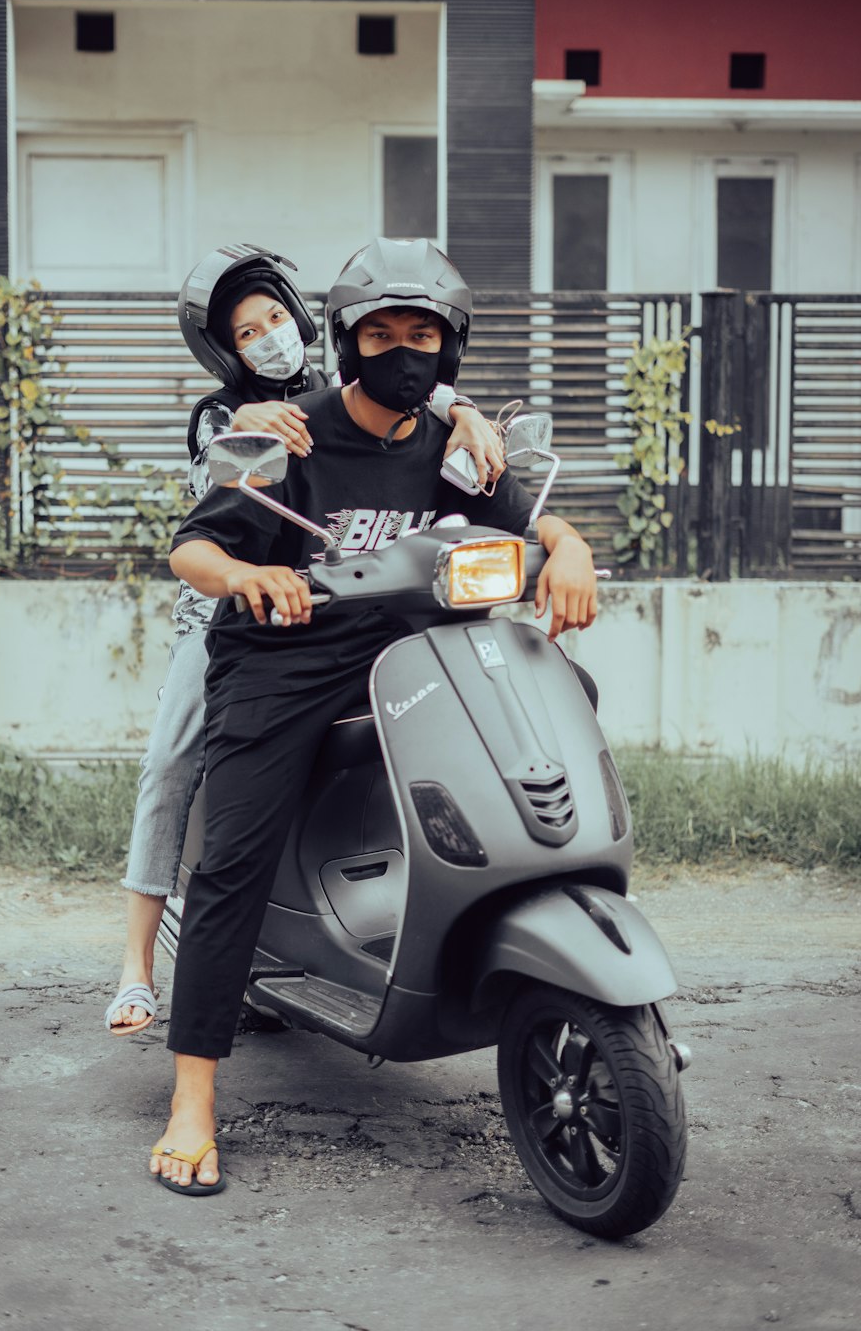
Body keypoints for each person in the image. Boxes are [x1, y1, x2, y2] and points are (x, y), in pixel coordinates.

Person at [149, 238, 598, 1195]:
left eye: (422, 334)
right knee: (230, 856)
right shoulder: (290, 433)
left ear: (449, 349)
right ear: (348, 342)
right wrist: (250, 573)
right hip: (284, 655)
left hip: (408, 647)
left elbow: (527, 520)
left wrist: (569, 547)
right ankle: (192, 1096)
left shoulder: (452, 443)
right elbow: (191, 550)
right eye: (381, 332)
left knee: (546, 711)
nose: (404, 351)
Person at [105, 244, 507, 1034]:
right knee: (174, 757)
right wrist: (249, 427)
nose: (269, 338)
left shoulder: (341, 387)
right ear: (227, 348)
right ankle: (136, 965)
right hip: (235, 614)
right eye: (248, 332)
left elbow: (421, 403)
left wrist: (465, 415)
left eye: (277, 318)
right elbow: (207, 530)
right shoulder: (222, 416)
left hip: (352, 610)